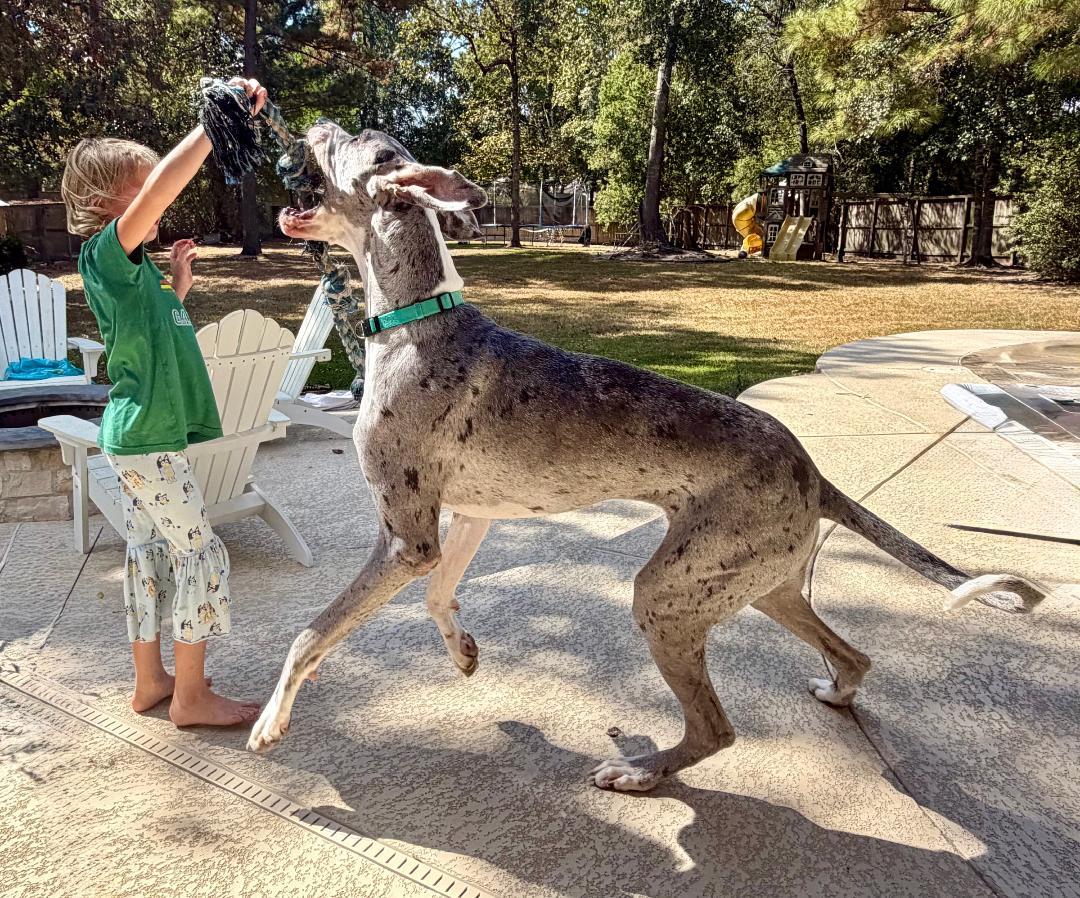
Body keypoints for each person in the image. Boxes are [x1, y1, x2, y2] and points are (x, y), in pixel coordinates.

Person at [60, 78, 267, 727]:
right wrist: (212, 128)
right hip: (146, 439)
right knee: (200, 551)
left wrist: (178, 285)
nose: (157, 203)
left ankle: (151, 682)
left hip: (141, 439)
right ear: (104, 204)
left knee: (147, 553)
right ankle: (192, 696)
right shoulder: (103, 256)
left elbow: (150, 333)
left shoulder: (139, 273)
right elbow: (161, 193)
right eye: (144, 191)